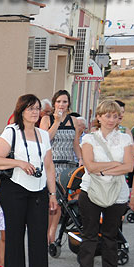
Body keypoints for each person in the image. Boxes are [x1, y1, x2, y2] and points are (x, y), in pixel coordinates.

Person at [0, 94, 57, 267]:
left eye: (37, 108)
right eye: (30, 108)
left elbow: (49, 166)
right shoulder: (12, 131)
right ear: (21, 111)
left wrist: (53, 194)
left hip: (39, 190)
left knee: (38, 235)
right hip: (14, 189)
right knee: (15, 234)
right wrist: (19, 163)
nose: (34, 112)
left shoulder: (43, 135)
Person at [79, 100, 133, 267]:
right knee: (90, 235)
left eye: (115, 116)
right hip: (91, 190)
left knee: (111, 236)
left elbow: (129, 166)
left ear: (119, 119)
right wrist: (115, 165)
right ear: (99, 117)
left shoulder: (125, 139)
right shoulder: (89, 139)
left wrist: (102, 170)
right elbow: (90, 166)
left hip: (117, 193)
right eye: (107, 115)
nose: (111, 119)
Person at [39, 90, 82, 244]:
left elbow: (75, 143)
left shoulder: (73, 120)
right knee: (53, 202)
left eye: (64, 101)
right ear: (54, 103)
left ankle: (52, 233)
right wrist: (56, 122)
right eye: (58, 101)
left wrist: (81, 159)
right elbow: (45, 140)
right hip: (52, 164)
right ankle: (47, 235)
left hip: (68, 166)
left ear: (68, 103)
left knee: (63, 202)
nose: (61, 105)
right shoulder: (47, 119)